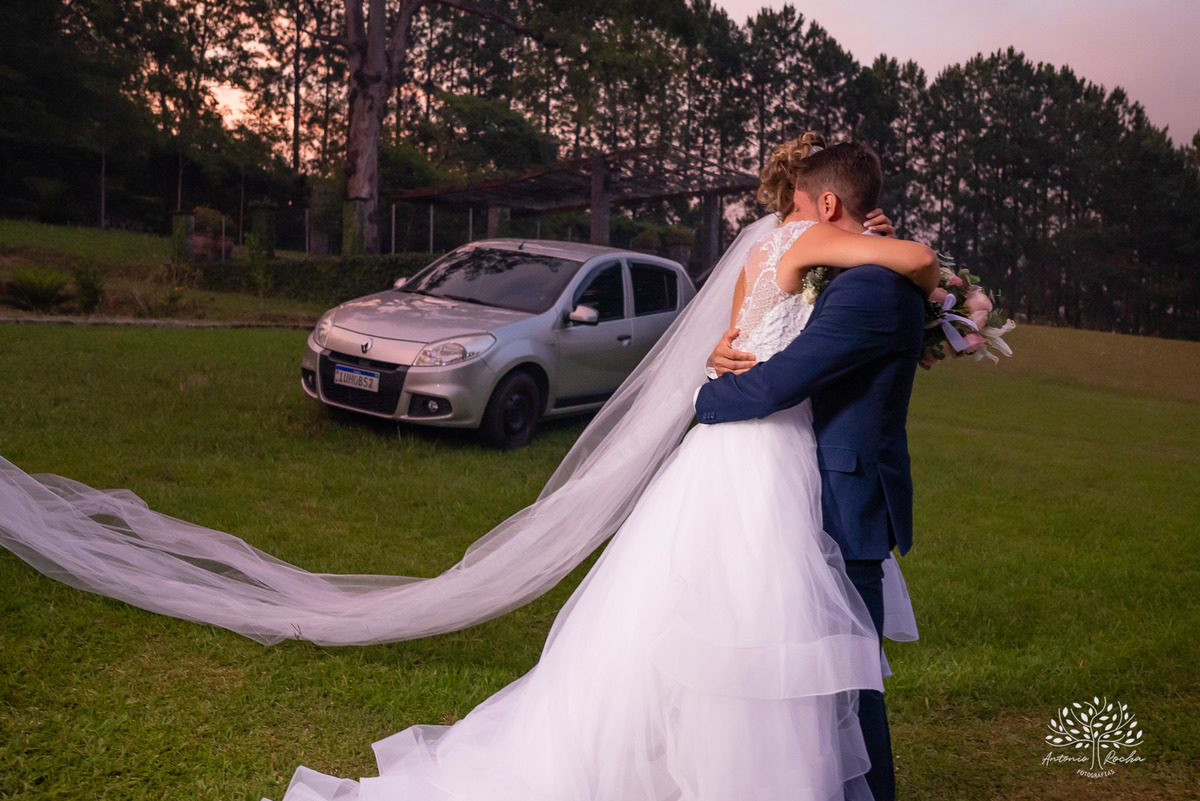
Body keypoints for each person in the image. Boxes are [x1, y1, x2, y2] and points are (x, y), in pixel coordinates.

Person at [0, 134, 934, 801]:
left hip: (731, 447)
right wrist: (894, 252)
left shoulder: (765, 249)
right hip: (764, 448)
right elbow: (920, 260)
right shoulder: (810, 238)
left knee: (696, 604)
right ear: (832, 207)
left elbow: (733, 343)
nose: (811, 219)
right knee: (752, 607)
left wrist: (739, 360)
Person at [696, 136, 933, 801]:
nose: (790, 222)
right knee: (820, 661)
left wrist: (708, 387)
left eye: (798, 210)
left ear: (825, 205)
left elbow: (756, 355)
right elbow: (768, 365)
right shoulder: (830, 259)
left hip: (791, 467)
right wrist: (709, 383)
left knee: (823, 664)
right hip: (785, 463)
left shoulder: (855, 278)